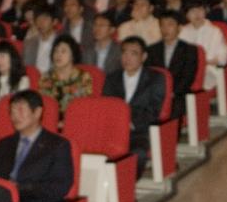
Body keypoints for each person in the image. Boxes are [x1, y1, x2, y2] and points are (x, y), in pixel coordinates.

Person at [0, 90, 76, 202]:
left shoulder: (57, 145)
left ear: (37, 112)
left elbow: (60, 186)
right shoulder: (4, 144)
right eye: (12, 111)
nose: (15, 116)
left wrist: (19, 189)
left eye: (20, 110)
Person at [104, 37, 165, 179]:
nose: (127, 58)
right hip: (113, 130)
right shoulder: (112, 78)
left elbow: (154, 110)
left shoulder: (155, 78)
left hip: (140, 131)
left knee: (138, 153)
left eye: (134, 54)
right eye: (124, 53)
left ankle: (125, 187)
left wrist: (131, 123)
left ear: (143, 57)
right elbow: (107, 105)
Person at [147, 10, 198, 120]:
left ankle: (170, 135)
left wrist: (172, 93)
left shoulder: (189, 50)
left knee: (175, 106)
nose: (165, 29)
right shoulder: (152, 50)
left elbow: (188, 77)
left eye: (170, 24)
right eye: (162, 25)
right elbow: (148, 75)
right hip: (156, 94)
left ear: (179, 28)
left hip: (177, 93)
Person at [179, 1, 227, 91]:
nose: (197, 14)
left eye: (200, 10)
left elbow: (222, 57)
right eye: (193, 11)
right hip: (187, 70)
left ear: (205, 12)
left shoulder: (215, 31)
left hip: (208, 69)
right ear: (186, 15)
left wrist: (203, 63)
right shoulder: (183, 32)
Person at [39, 35, 94, 114]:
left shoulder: (83, 77)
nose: (58, 55)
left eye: (63, 51)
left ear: (73, 56)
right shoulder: (46, 77)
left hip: (76, 120)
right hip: (50, 121)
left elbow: (85, 107)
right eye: (56, 51)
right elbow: (43, 106)